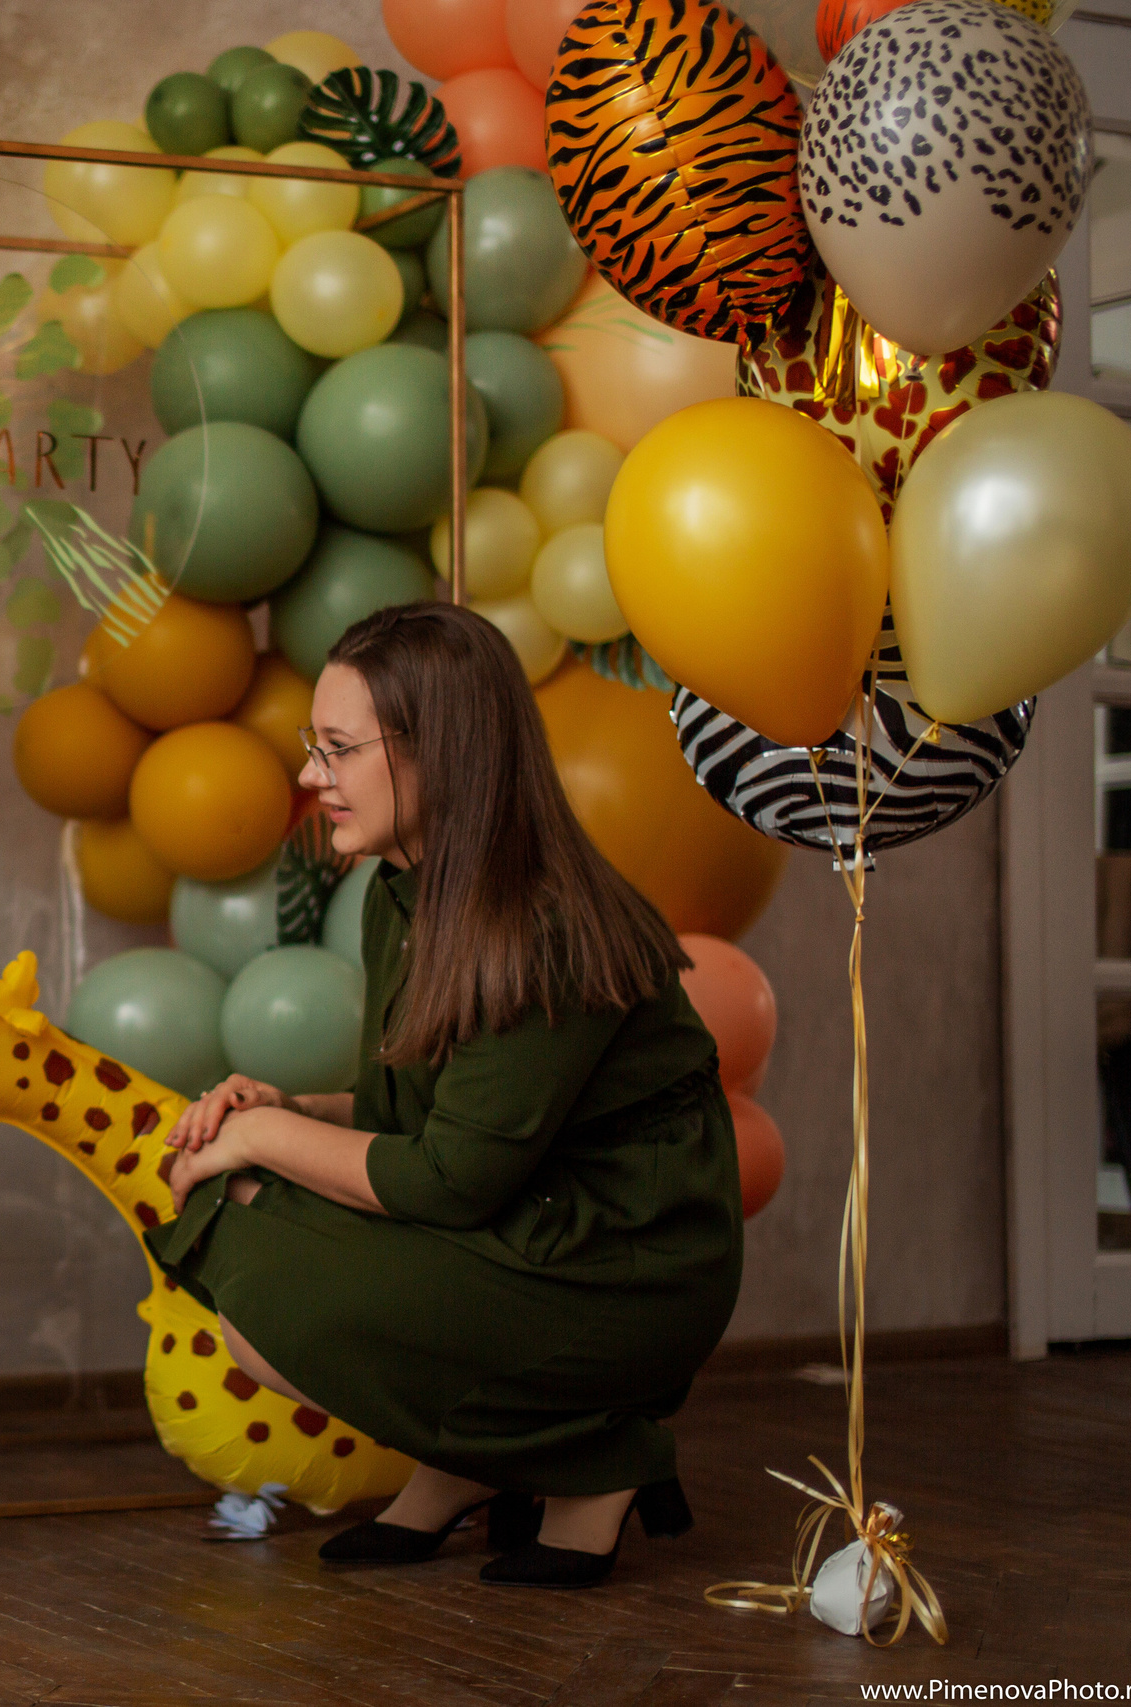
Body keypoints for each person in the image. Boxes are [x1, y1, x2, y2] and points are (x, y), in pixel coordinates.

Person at [145, 602, 744, 1590]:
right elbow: (423, 1115)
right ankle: (468, 1458)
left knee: (261, 1268)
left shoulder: (540, 926)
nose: (310, 776)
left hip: (617, 1267)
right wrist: (287, 1108)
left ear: (444, 750)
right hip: (527, 1216)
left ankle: (595, 1463)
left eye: (338, 749)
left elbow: (448, 1177)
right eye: (312, 744)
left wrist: (260, 1136)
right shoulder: (402, 891)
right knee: (239, 1202)